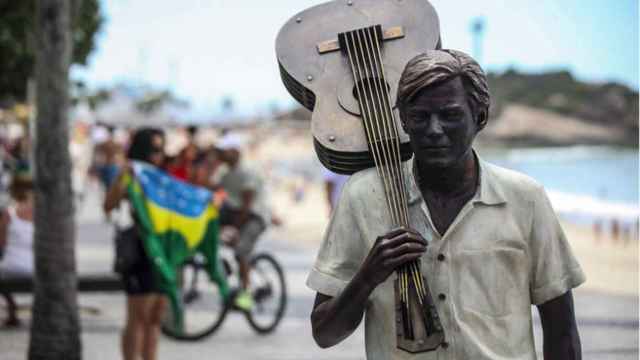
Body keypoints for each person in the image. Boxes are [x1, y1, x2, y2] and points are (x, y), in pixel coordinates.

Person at [307, 50, 585, 359]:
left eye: (450, 115)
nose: (434, 129)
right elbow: (324, 333)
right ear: (403, 121)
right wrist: (368, 276)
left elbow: (561, 331)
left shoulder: (525, 199)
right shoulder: (362, 196)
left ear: (479, 117)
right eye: (420, 117)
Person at [103, 127, 167, 360]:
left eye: (161, 149)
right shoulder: (129, 173)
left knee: (155, 316)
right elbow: (108, 205)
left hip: (161, 252)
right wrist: (124, 179)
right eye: (154, 150)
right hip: (138, 250)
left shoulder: (160, 176)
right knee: (138, 316)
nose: (158, 155)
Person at [214, 133, 270, 310]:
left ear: (235, 151)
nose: (220, 155)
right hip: (236, 214)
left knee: (241, 252)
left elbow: (247, 205)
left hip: (254, 217)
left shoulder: (247, 171)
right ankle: (239, 276)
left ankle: (246, 297)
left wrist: (236, 228)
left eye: (224, 152)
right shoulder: (225, 173)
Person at [0, 174, 35, 327]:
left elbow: (2, 243)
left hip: (10, 267)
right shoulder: (43, 213)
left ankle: (12, 310)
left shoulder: (9, 213)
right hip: (35, 268)